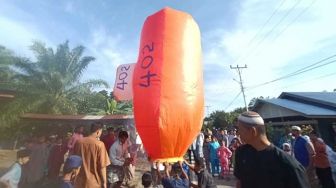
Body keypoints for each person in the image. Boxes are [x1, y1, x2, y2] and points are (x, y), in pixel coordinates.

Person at [234, 111, 310, 188]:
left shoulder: (289, 166)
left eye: (239, 129)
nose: (238, 133)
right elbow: (240, 182)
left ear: (253, 131)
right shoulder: (241, 153)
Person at [73, 122, 110, 188]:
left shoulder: (79, 142)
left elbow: (74, 161)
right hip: (94, 182)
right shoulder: (100, 145)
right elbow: (102, 166)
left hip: (79, 181)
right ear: (98, 132)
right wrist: (104, 182)